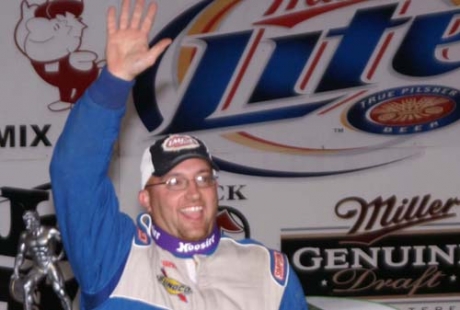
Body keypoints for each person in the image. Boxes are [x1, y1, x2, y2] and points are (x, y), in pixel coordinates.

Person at [50, 0, 309, 309]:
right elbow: (74, 173)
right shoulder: (116, 256)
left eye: (203, 178)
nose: (194, 193)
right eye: (174, 182)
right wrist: (114, 82)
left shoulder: (267, 270)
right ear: (146, 198)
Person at [11, 210, 72, 310]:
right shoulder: (25, 236)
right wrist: (16, 270)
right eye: (26, 224)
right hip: (38, 267)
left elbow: (68, 242)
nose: (27, 227)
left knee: (60, 291)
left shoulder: (50, 231)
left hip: (50, 265)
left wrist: (59, 256)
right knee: (26, 286)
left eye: (29, 224)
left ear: (35, 221)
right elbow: (20, 255)